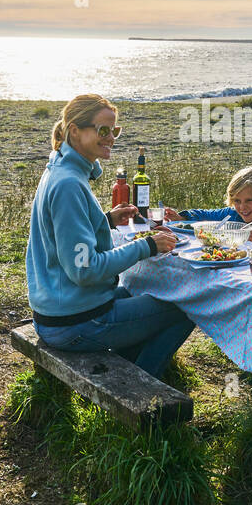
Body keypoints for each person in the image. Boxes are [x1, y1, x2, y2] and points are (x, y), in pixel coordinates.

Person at [25, 94, 194, 379]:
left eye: (114, 130)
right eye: (103, 130)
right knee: (187, 304)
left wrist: (104, 221)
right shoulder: (68, 184)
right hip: (73, 324)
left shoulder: (60, 169)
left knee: (141, 290)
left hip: (60, 310)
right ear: (75, 131)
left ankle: (128, 359)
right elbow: (85, 269)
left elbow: (61, 234)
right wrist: (147, 245)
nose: (111, 138)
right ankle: (143, 384)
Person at [162, 166, 252, 249]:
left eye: (249, 200)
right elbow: (205, 215)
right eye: (237, 200)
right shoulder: (233, 213)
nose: (242, 207)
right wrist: (182, 217)